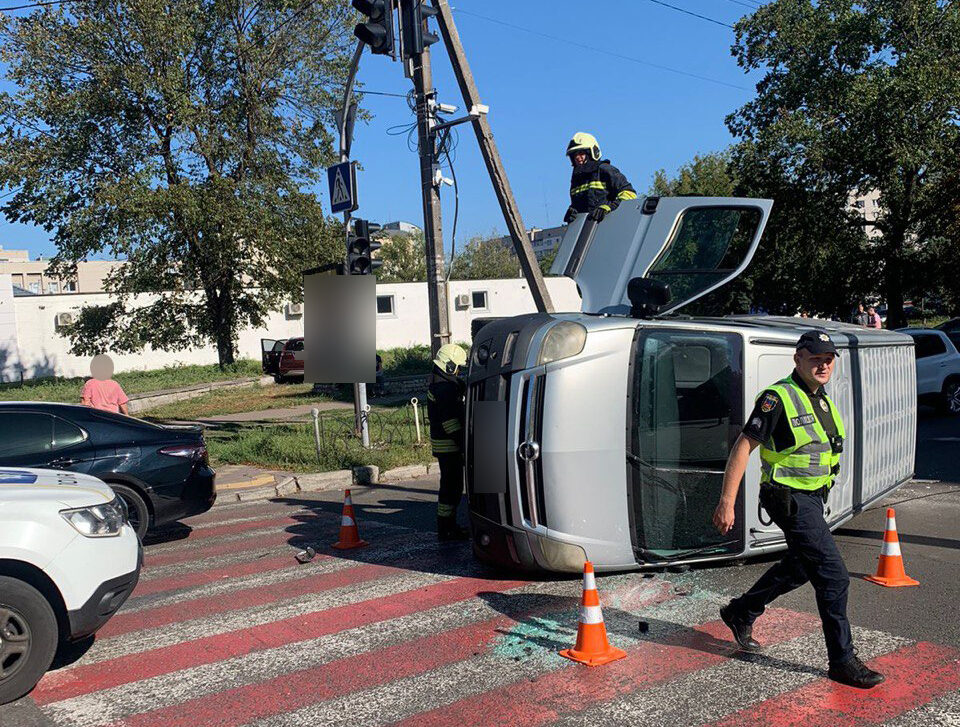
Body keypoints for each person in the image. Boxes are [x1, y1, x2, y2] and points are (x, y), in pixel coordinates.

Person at [712, 330, 885, 689]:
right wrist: (727, 502)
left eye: (828, 359)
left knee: (802, 566)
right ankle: (842, 660)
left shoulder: (821, 399)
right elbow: (744, 446)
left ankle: (741, 611)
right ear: (798, 359)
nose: (823, 365)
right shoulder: (778, 398)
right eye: (815, 358)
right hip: (786, 497)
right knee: (834, 575)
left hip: (810, 498)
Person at [426, 343, 469, 541]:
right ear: (449, 366)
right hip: (449, 445)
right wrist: (464, 445)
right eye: (457, 367)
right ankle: (446, 528)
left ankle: (447, 526)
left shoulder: (440, 381)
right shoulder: (444, 388)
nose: (458, 370)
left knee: (450, 486)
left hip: (444, 444)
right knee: (452, 488)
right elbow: (450, 422)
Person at [563, 132, 637, 224]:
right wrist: (572, 212)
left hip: (609, 225)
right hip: (587, 229)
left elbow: (629, 193)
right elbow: (582, 204)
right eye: (575, 155)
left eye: (581, 153)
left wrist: (608, 208)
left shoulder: (604, 170)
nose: (578, 158)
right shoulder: (577, 178)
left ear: (591, 153)